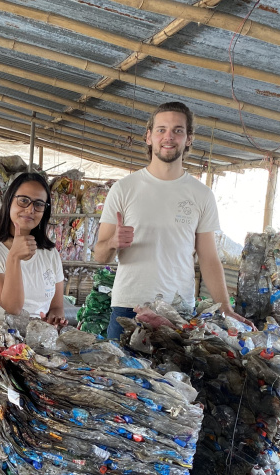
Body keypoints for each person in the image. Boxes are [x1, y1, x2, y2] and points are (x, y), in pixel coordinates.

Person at [94, 102, 252, 339]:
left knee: (174, 377)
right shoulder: (123, 189)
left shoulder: (201, 195)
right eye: (161, 130)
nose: (168, 137)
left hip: (178, 311)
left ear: (188, 139)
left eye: (178, 130)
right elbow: (99, 255)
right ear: (148, 137)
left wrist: (226, 308)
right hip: (128, 307)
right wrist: (112, 242)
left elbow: (209, 259)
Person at [0, 172, 67, 326]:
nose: (30, 210)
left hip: (38, 340)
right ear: (9, 201)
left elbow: (57, 307)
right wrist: (14, 257)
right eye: (24, 200)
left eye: (38, 204)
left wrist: (54, 320)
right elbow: (13, 308)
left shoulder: (50, 253)